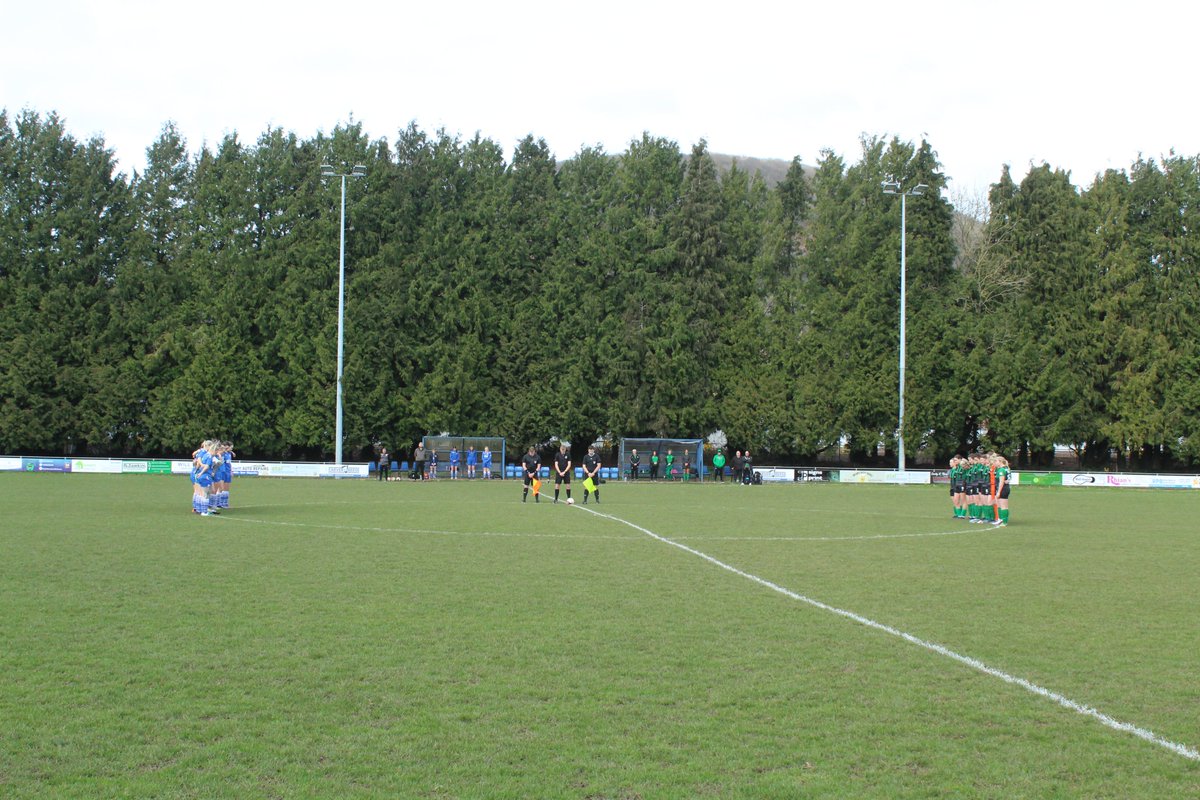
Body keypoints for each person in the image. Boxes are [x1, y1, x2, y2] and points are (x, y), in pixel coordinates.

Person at [993, 455, 1011, 526]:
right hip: (1005, 488)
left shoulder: (1001, 470)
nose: (995, 463)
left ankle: (1004, 522)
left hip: (1003, 489)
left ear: (1000, 462)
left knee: (1003, 506)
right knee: (1000, 505)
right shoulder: (1006, 468)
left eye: (996, 461)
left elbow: (1001, 481)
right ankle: (1000, 520)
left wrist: (998, 492)